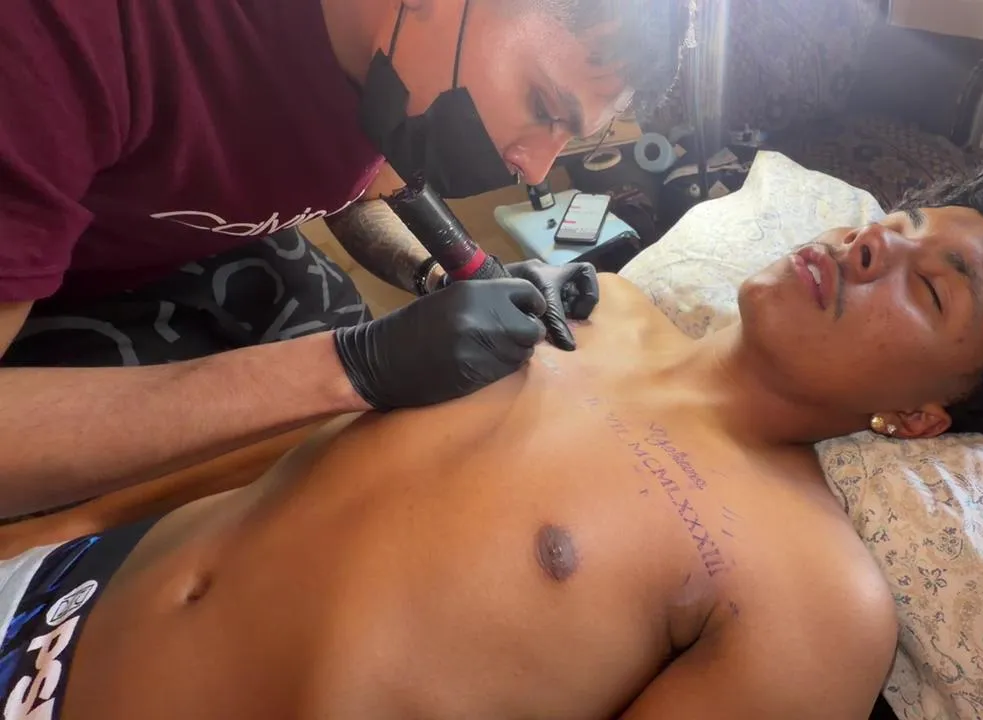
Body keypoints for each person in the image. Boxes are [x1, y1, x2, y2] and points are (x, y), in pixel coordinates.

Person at [0, 164, 983, 719]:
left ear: (919, 417)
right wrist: (62, 523)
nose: (870, 246)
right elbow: (317, 429)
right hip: (52, 596)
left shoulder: (818, 598)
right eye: (895, 223)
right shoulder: (591, 304)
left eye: (931, 287)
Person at [0, 0, 688, 518]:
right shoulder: (73, 33)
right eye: (542, 104)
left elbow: (355, 191)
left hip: (176, 249)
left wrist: (461, 277)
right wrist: (352, 365)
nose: (536, 168)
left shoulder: (391, 65)